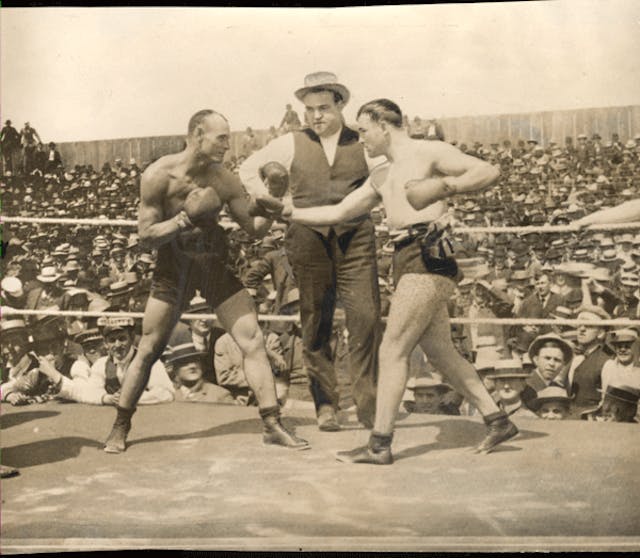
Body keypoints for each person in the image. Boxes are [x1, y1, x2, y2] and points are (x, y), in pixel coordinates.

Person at [281, 98, 517, 464]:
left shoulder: (429, 151)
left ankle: (379, 443)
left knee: (391, 350)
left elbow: (489, 170)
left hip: (429, 255)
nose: (361, 140)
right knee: (440, 351)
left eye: (363, 130)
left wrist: (442, 189)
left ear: (383, 124)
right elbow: (340, 211)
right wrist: (289, 211)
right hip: (404, 257)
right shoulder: (381, 174)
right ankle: (498, 420)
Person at [102, 109, 309, 453]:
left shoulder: (224, 179)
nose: (228, 146)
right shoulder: (158, 175)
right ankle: (120, 425)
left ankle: (272, 424)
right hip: (174, 266)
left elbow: (253, 230)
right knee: (150, 347)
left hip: (213, 262)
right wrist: (183, 219)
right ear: (198, 135)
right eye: (221, 138)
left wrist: (274, 202)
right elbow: (145, 237)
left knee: (252, 339)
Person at [239, 72, 381, 431]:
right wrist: (272, 201)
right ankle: (326, 405)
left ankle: (369, 405)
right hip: (307, 238)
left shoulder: (363, 142)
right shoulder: (291, 141)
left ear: (341, 105)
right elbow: (246, 169)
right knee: (314, 319)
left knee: (365, 318)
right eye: (309, 109)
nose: (316, 115)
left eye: (323, 108)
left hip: (355, 238)